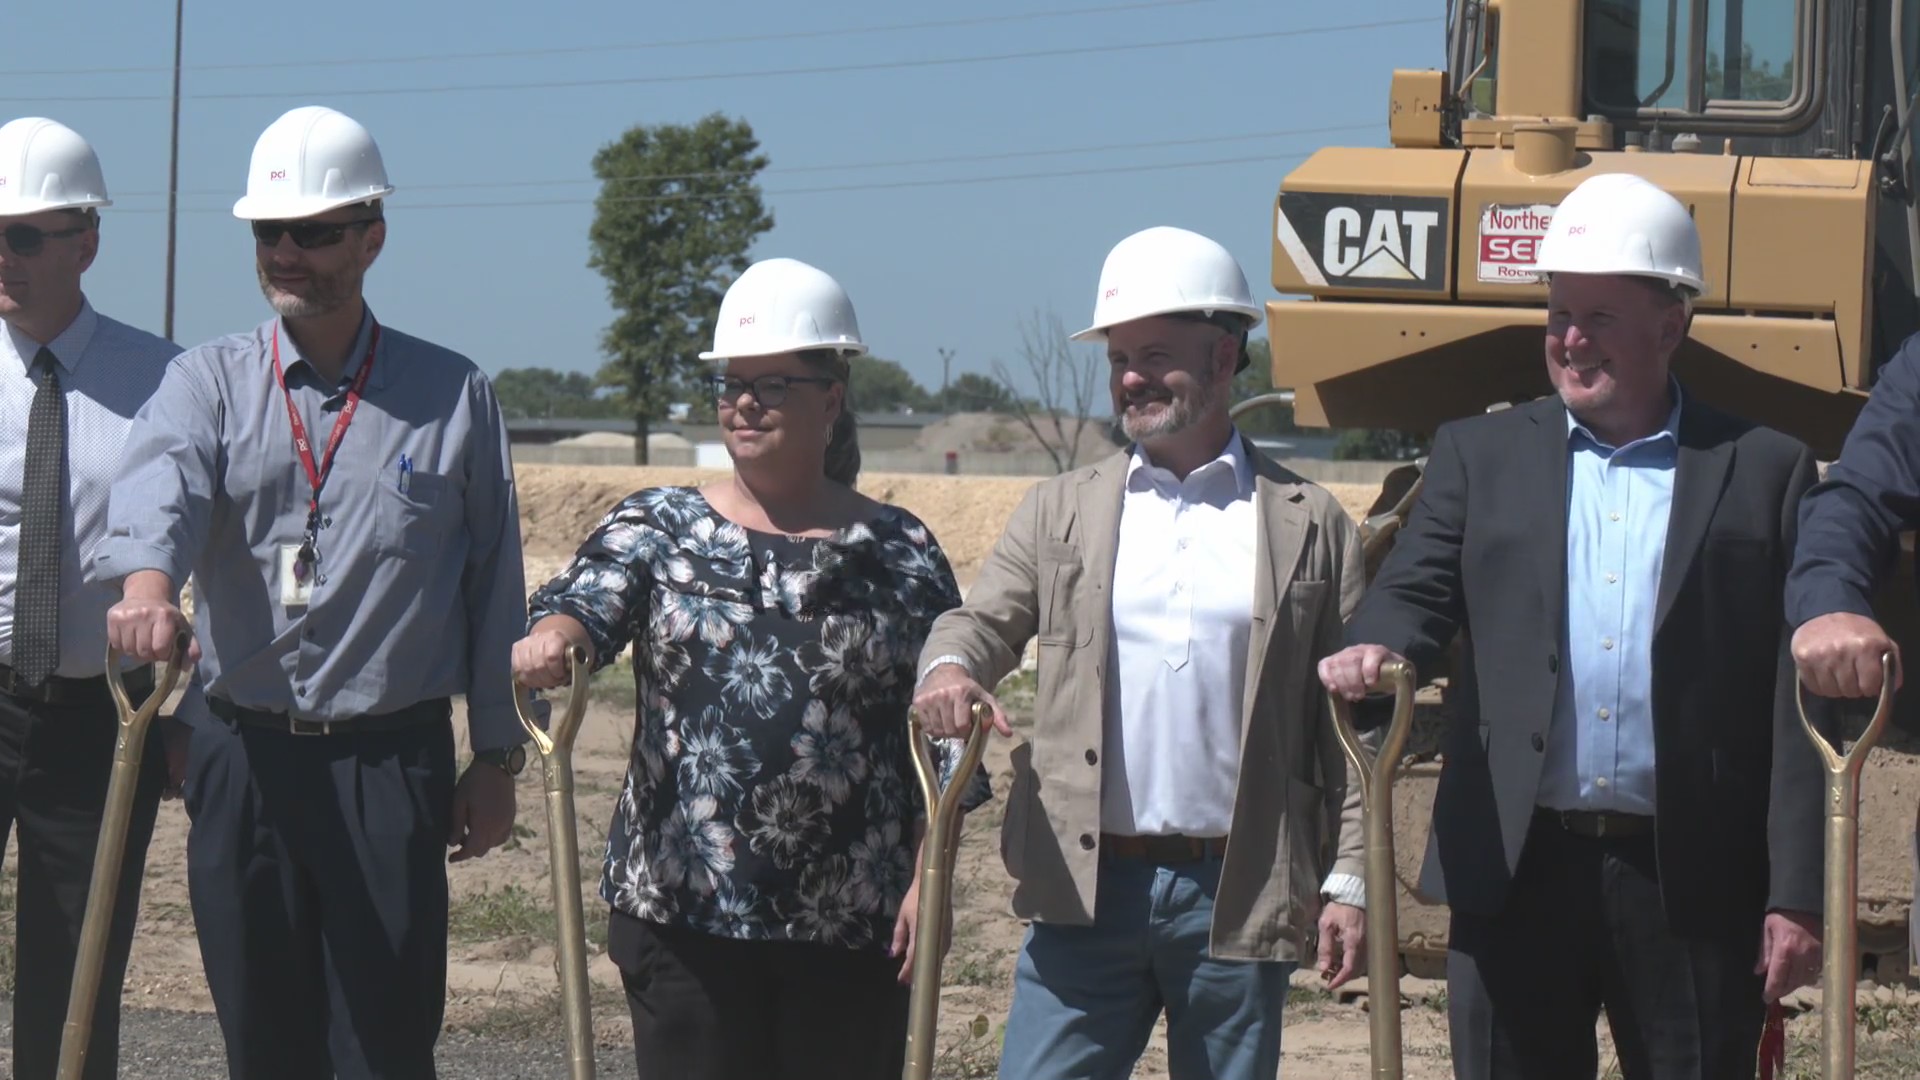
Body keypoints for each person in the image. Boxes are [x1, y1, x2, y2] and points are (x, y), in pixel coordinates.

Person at [1318, 172, 1826, 1079]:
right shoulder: (1480, 454)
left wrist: (1796, 895)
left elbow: (1794, 712)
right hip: (1516, 873)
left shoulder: (1764, 470)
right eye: (1558, 314)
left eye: (1600, 317)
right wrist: (1379, 641)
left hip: (1692, 882)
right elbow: (1418, 586)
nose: (1570, 339)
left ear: (1672, 326)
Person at [88, 105, 528, 1079]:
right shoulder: (208, 382)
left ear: (371, 237)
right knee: (265, 1041)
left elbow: (496, 582)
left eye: (315, 231)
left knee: (383, 1044)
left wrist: (496, 756)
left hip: (391, 770)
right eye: (269, 232)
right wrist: (152, 588)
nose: (288, 251)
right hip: (243, 760)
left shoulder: (453, 395)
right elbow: (159, 487)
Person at [513, 256, 990, 1080]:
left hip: (852, 928)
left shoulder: (901, 551)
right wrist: (555, 636)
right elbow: (585, 603)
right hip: (684, 921)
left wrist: (929, 877)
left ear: (831, 398)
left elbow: (944, 736)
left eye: (773, 386)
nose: (743, 403)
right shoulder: (658, 527)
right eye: (731, 384)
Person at [911, 225, 1370, 1080]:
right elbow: (979, 621)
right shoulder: (1061, 510)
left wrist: (1350, 880)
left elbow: (1355, 731)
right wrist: (948, 668)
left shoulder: (1308, 520)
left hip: (1239, 887)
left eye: (1156, 355)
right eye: (1119, 357)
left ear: (1227, 356)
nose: (1131, 377)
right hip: (1084, 887)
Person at [0, 116, 180, 1080]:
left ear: (87, 241)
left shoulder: (165, 379)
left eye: (25, 235)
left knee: (76, 975)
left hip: (101, 717)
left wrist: (192, 705)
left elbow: (220, 555)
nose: (4, 256)